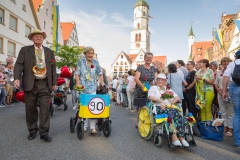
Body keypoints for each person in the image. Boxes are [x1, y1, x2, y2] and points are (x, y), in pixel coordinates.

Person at [14, 29, 57, 142]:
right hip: (30, 83)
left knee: (45, 109)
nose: (39, 38)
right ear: (32, 38)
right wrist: (17, 77)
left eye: (41, 36)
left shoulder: (49, 51)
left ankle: (44, 132)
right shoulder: (25, 50)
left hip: (45, 83)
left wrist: (54, 83)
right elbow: (19, 64)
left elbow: (53, 68)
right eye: (36, 36)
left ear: (43, 39)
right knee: (30, 108)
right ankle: (32, 130)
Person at [148, 73, 189, 147]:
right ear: (156, 80)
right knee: (170, 114)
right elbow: (150, 97)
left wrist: (172, 101)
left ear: (165, 81)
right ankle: (174, 138)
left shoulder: (168, 89)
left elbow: (177, 97)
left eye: (162, 80)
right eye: (158, 80)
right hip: (158, 108)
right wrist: (161, 101)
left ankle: (182, 138)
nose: (160, 81)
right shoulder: (153, 88)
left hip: (169, 107)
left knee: (177, 113)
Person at [75, 46, 105, 134]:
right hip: (83, 88)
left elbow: (100, 73)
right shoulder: (81, 61)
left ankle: (92, 127)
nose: (90, 55)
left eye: (92, 53)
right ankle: (84, 126)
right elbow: (77, 73)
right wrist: (78, 82)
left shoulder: (96, 62)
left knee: (92, 107)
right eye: (89, 53)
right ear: (85, 54)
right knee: (84, 107)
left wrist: (102, 83)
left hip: (92, 87)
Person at [134, 52, 157, 127]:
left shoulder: (153, 68)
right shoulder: (140, 67)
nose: (149, 59)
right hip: (141, 88)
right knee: (141, 106)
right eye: (147, 57)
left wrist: (157, 85)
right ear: (144, 58)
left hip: (151, 89)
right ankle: (138, 121)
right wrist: (143, 87)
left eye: (150, 57)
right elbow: (136, 79)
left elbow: (156, 79)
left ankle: (147, 120)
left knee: (150, 105)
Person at [222, 50, 240, 148]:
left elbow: (225, 77)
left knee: (237, 114)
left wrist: (224, 91)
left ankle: (238, 142)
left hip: (234, 87)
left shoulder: (232, 64)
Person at [215, 57, 233, 137]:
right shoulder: (219, 72)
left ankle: (230, 128)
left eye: (227, 61)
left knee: (230, 112)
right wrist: (219, 90)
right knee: (223, 111)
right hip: (220, 94)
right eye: (224, 61)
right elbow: (216, 83)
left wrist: (226, 90)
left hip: (230, 94)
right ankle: (224, 127)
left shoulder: (232, 71)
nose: (226, 63)